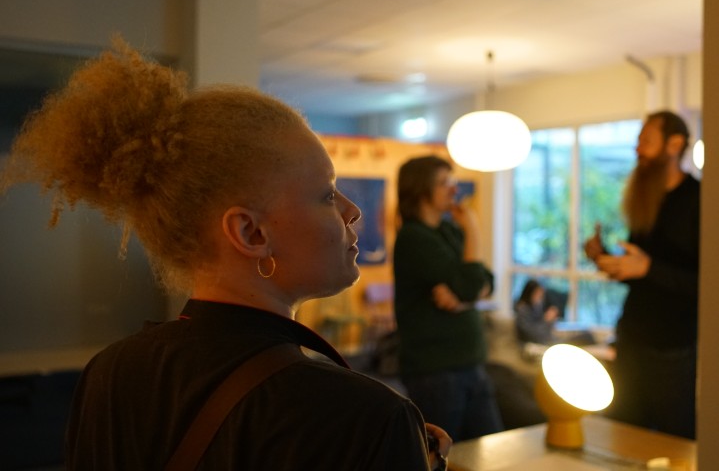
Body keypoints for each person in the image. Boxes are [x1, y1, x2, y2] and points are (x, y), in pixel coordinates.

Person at [0, 38, 452, 470]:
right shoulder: (365, 417)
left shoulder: (109, 372)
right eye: (327, 195)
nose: (352, 212)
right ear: (251, 233)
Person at [584, 110, 700, 439]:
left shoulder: (700, 200)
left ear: (674, 144)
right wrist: (605, 258)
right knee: (623, 432)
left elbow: (703, 283)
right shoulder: (647, 200)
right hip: (632, 337)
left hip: (673, 346)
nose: (637, 149)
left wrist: (649, 268)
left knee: (673, 440)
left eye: (646, 141)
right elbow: (639, 270)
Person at [393, 155, 504, 442]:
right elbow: (473, 283)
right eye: (444, 183)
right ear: (421, 190)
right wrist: (473, 231)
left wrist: (465, 299)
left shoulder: (448, 230)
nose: (455, 189)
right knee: (444, 454)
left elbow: (487, 281)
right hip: (435, 371)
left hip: (471, 363)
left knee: (491, 452)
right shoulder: (413, 238)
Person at [513, 279, 559, 345]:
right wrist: (546, 320)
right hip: (528, 344)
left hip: (539, 342)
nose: (540, 298)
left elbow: (545, 333)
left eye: (541, 296)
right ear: (530, 293)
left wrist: (551, 320)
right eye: (538, 294)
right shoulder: (522, 310)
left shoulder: (537, 307)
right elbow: (532, 334)